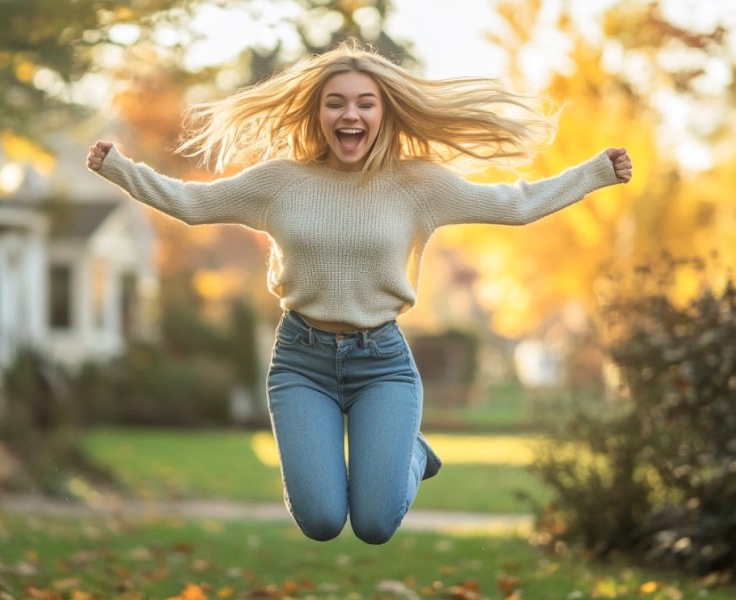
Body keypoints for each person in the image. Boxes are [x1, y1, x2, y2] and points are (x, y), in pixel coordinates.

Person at [86, 41, 632, 545]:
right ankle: (390, 459)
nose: (351, 115)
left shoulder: (418, 185)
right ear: (317, 113)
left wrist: (595, 173)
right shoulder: (280, 182)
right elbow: (190, 203)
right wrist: (118, 168)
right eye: (336, 104)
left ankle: (411, 456)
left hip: (383, 363)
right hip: (301, 361)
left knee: (374, 525)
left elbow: (515, 205)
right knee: (322, 522)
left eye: (365, 104)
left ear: (384, 113)